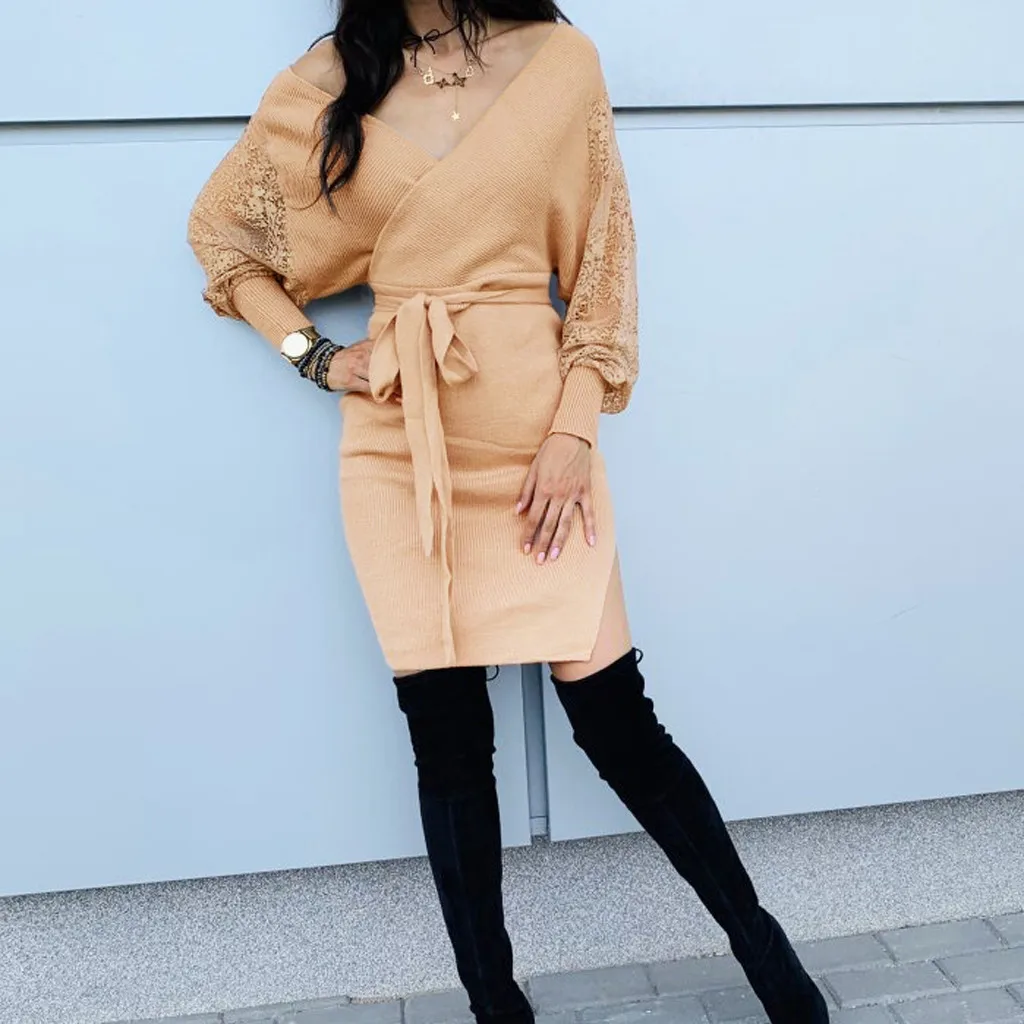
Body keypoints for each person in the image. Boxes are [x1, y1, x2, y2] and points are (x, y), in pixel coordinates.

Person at [187, 2, 829, 1021]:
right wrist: (316, 356)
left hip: (538, 438)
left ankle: (771, 962)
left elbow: (604, 265)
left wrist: (574, 431)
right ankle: (496, 1007)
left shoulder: (559, 63)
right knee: (446, 744)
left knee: (617, 721)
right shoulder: (332, 81)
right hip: (399, 445)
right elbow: (222, 238)